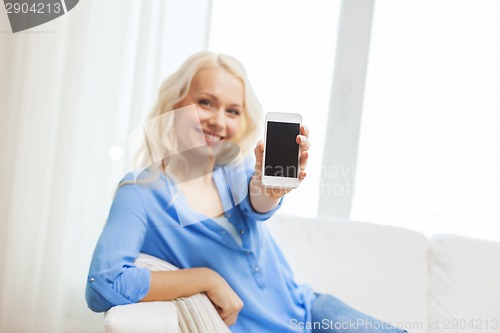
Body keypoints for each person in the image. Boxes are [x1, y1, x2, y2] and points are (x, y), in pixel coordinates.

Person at [86, 51, 407, 333]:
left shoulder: (234, 170)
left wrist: (271, 189)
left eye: (233, 111)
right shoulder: (140, 193)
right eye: (205, 102)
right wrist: (206, 279)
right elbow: (103, 284)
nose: (217, 120)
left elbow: (258, 201)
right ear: (174, 105)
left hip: (313, 312)